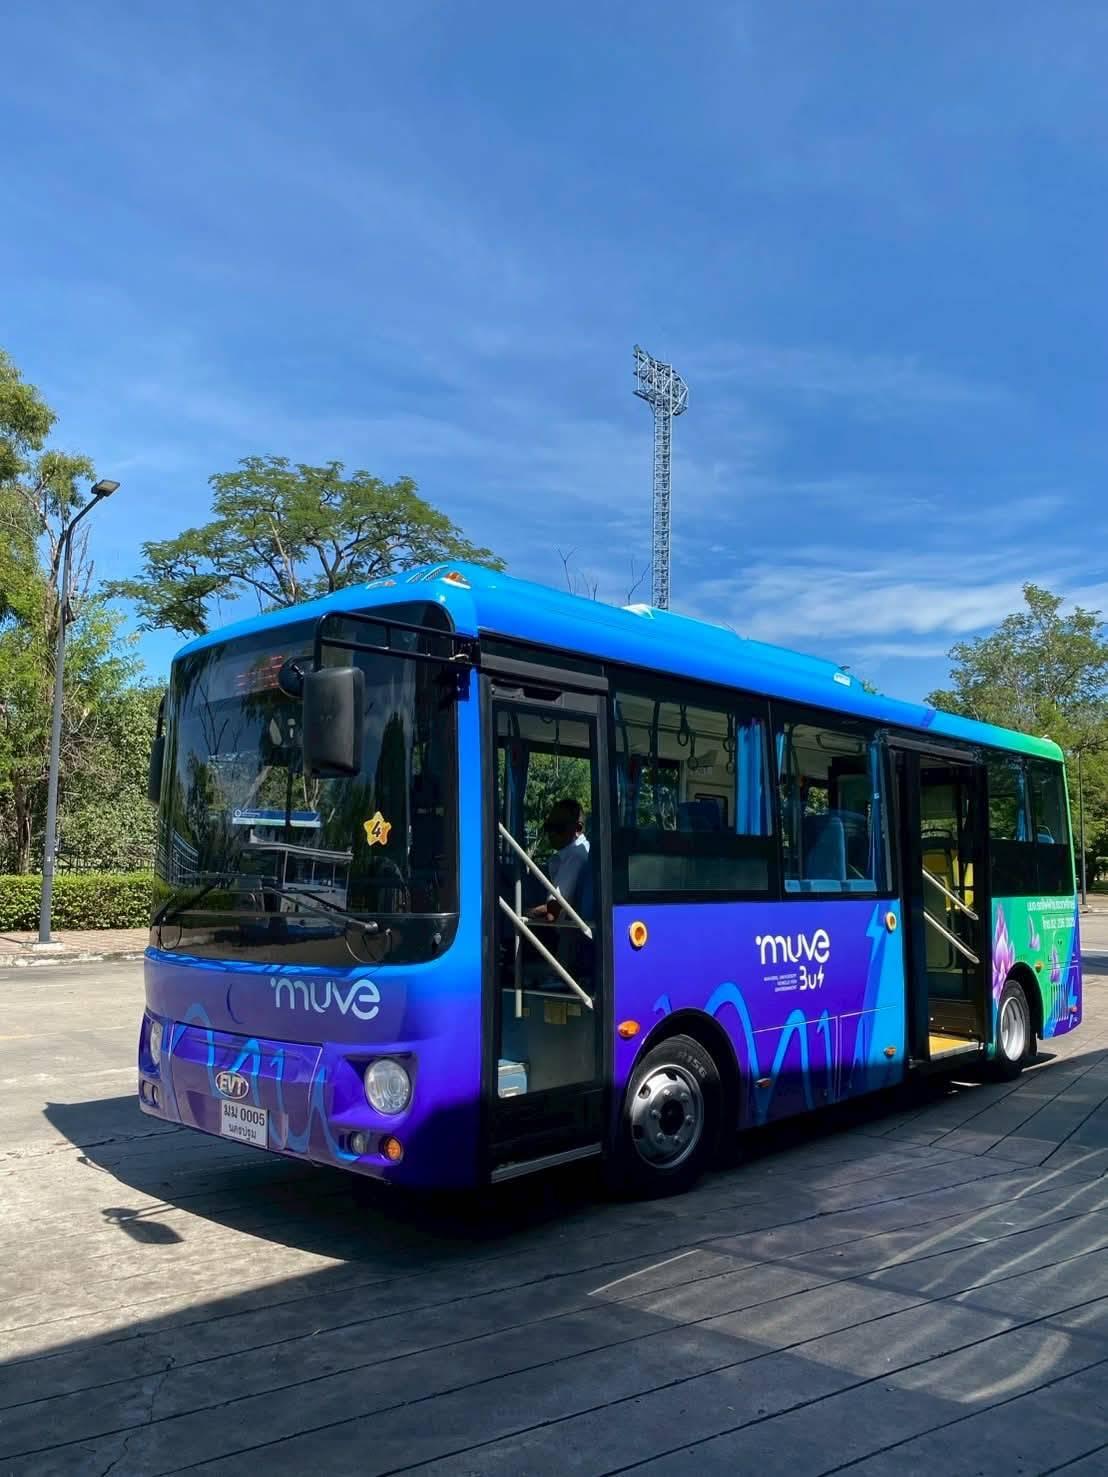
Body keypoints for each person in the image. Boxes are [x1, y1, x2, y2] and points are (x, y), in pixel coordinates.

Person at [529, 798, 590, 924]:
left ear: (577, 829)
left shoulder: (575, 855)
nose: (551, 833)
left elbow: (553, 912)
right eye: (549, 827)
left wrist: (526, 913)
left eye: (559, 827)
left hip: (571, 937)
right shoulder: (576, 852)